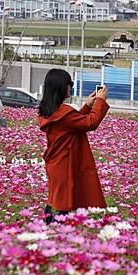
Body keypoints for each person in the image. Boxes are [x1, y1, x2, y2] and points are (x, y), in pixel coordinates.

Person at [38, 69, 110, 224]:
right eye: (69, 84)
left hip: (56, 164)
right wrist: (100, 102)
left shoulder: (50, 110)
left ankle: (48, 229)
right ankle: (52, 232)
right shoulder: (64, 112)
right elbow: (90, 123)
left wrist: (87, 106)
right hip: (64, 165)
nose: (71, 87)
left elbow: (73, 123)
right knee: (60, 204)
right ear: (61, 87)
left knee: (55, 200)